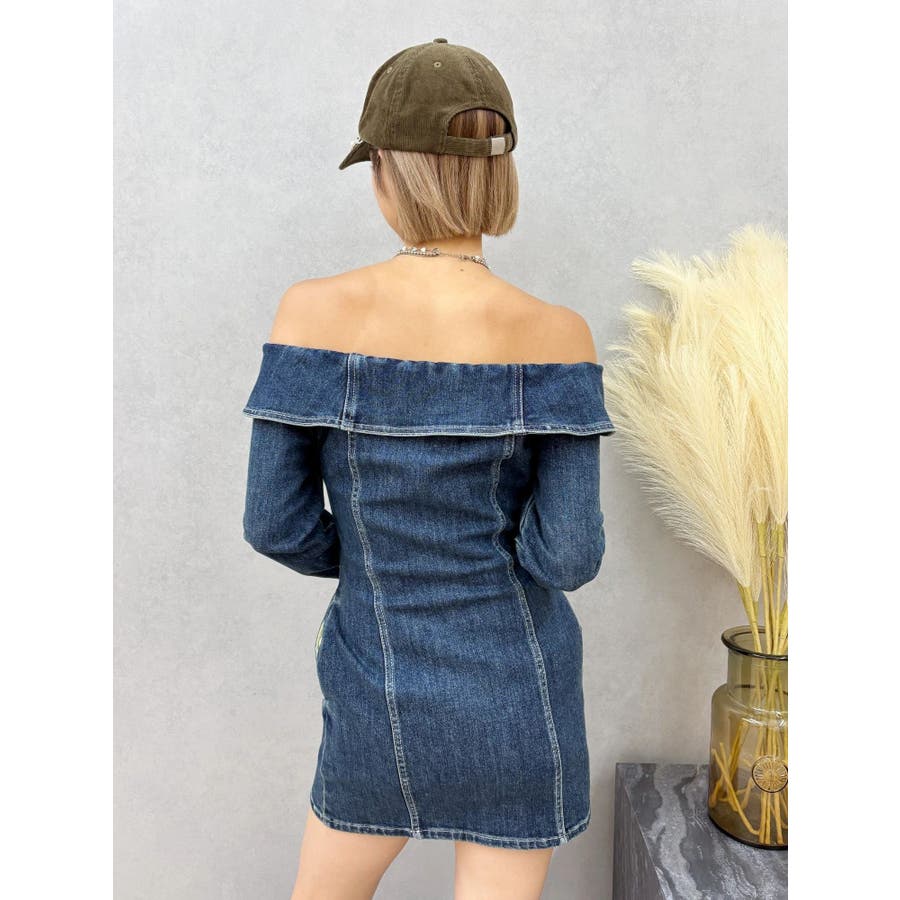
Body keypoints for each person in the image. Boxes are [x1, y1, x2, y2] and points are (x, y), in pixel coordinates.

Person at [241, 38, 614, 900]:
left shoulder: (310, 311)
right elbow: (568, 558)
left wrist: (380, 565)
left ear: (387, 174)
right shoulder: (558, 334)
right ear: (498, 174)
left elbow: (273, 523)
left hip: (375, 679)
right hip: (519, 693)